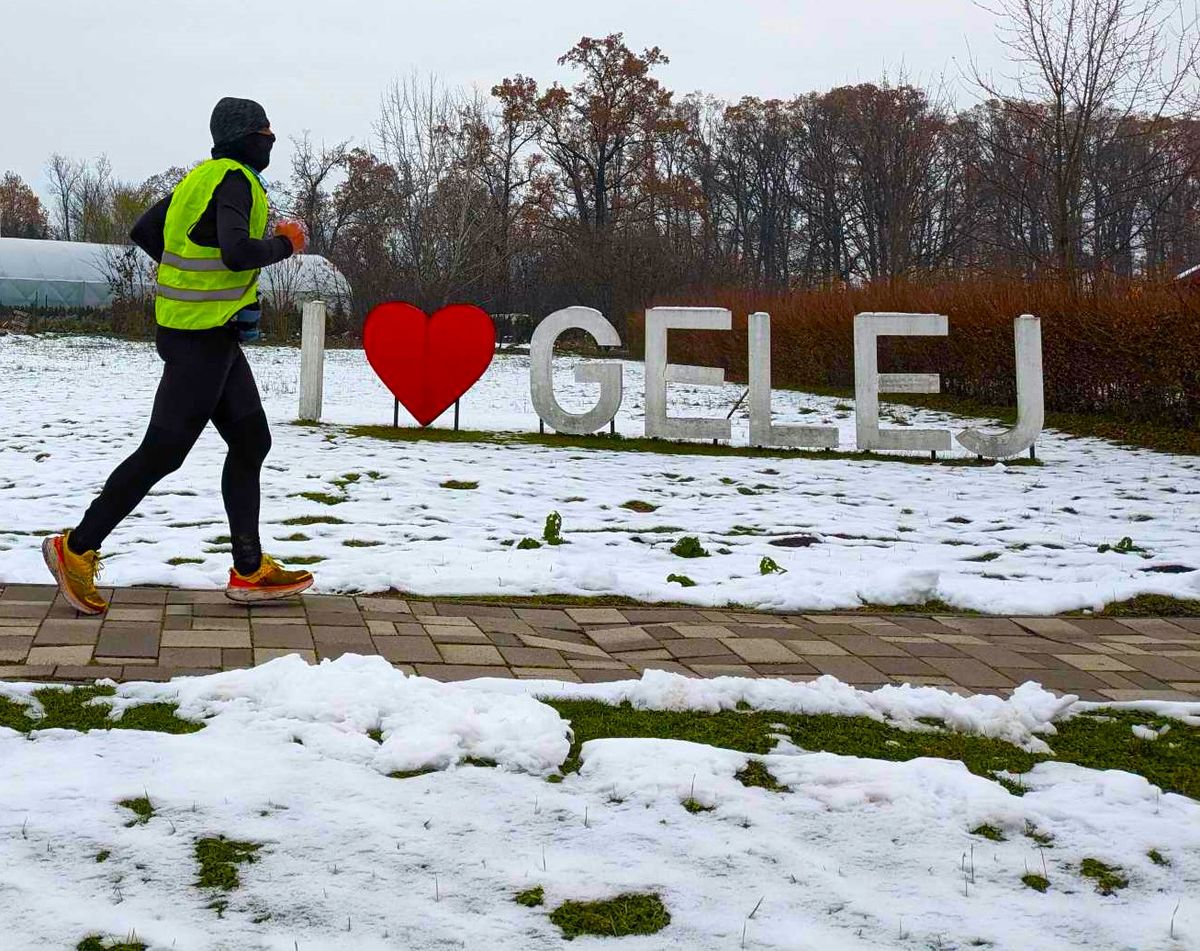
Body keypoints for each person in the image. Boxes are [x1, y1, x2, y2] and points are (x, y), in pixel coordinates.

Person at [43, 97, 315, 614]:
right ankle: (75, 548)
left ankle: (249, 567)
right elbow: (238, 253)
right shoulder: (235, 179)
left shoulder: (200, 180)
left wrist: (186, 274)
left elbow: (145, 231)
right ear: (247, 137)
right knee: (163, 452)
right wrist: (286, 243)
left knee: (252, 440)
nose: (272, 139)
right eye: (266, 131)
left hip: (209, 335)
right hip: (200, 340)